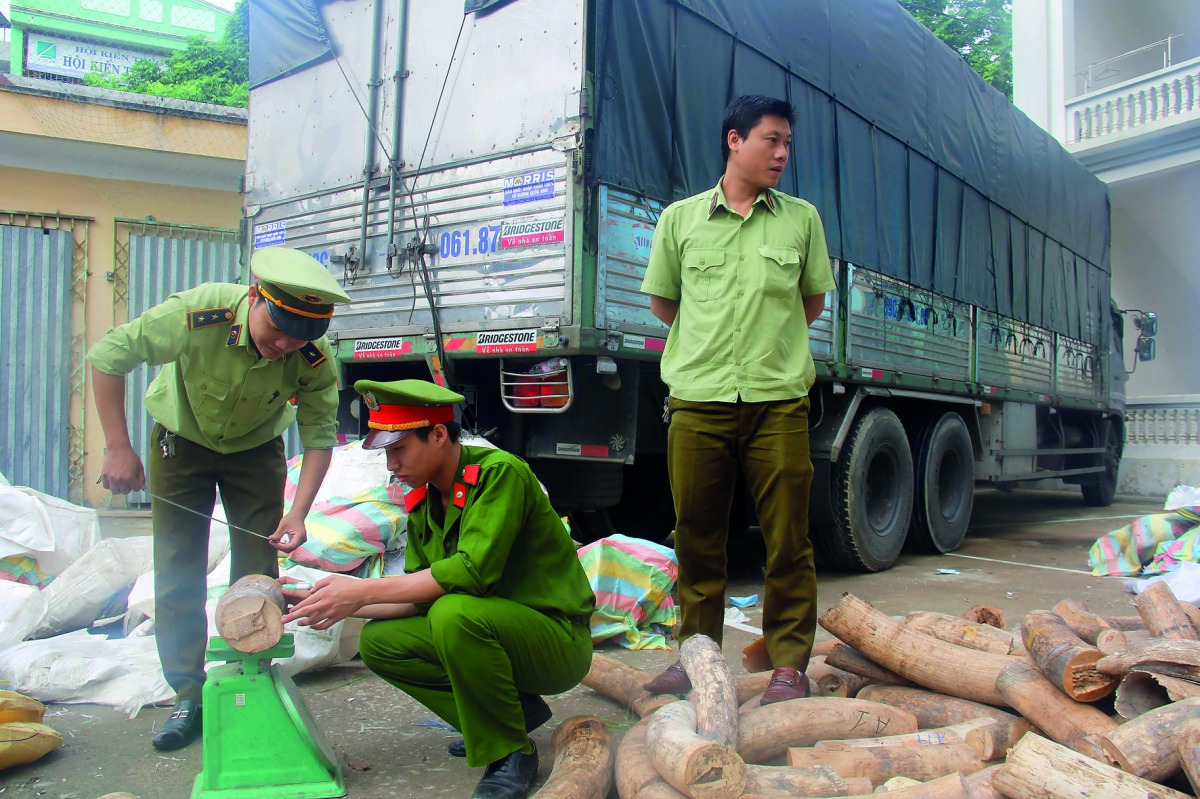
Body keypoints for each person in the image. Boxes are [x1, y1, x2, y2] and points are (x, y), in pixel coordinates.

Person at [87, 246, 350, 750]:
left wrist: (298, 512)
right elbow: (107, 357)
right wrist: (117, 447)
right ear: (255, 297)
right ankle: (188, 692)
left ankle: (248, 679)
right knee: (178, 565)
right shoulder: (197, 313)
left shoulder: (313, 358)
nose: (286, 345)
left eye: (301, 338)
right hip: (180, 442)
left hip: (255, 452)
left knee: (257, 572)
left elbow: (319, 435)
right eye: (278, 330)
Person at [281, 379, 595, 799]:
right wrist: (334, 600)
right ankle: (509, 716)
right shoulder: (425, 502)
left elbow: (469, 574)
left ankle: (510, 751)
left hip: (556, 641)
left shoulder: (499, 475)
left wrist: (361, 592)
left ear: (439, 434)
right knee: (379, 642)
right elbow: (416, 595)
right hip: (494, 633)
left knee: (453, 613)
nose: (391, 464)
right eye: (387, 453)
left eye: (398, 450)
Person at [639, 94, 837, 703]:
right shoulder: (680, 219)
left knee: (787, 539)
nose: (781, 153)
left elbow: (810, 304)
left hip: (777, 402)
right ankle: (696, 657)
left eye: (786, 143)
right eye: (770, 140)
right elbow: (665, 303)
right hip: (699, 402)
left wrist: (766, 350)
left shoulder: (801, 220)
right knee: (695, 535)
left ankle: (787, 665)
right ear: (734, 140)